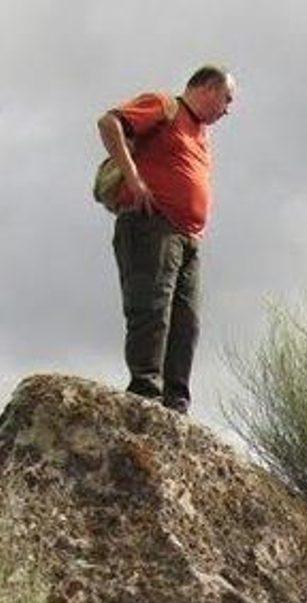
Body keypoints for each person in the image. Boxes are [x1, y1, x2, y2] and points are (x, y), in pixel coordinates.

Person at [97, 65, 236, 414]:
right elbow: (109, 123)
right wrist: (134, 179)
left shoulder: (202, 134)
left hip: (188, 237)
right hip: (152, 225)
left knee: (186, 320)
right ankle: (146, 391)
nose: (227, 110)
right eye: (226, 99)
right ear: (207, 88)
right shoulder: (164, 105)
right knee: (152, 307)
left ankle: (176, 400)